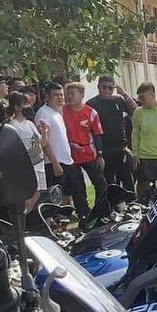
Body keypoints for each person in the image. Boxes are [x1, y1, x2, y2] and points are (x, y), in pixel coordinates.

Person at [62, 82, 104, 217]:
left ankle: (100, 209)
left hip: (88, 153)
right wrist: (70, 144)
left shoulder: (91, 112)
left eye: (72, 94)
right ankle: (83, 212)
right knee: (77, 185)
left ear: (81, 95)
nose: (69, 96)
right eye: (68, 94)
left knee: (100, 182)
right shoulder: (61, 111)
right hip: (70, 155)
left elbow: (97, 135)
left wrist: (100, 155)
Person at [88, 75, 135, 192]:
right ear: (98, 87)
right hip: (103, 151)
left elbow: (135, 110)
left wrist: (124, 93)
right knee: (109, 184)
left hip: (121, 149)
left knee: (128, 182)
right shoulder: (91, 104)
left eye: (110, 88)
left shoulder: (119, 100)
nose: (107, 90)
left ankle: (132, 202)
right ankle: (113, 203)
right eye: (104, 87)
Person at [2, 90, 47, 208]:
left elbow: (42, 143)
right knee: (28, 197)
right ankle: (22, 218)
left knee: (37, 193)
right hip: (27, 167)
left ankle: (28, 216)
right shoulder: (13, 125)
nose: (29, 106)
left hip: (38, 164)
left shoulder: (30, 124)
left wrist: (45, 132)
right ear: (17, 107)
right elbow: (12, 149)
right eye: (25, 104)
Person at [34, 83, 74, 200]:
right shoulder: (43, 113)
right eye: (56, 95)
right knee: (55, 197)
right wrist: (55, 163)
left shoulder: (57, 113)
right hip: (53, 163)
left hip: (66, 160)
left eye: (61, 95)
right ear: (47, 96)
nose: (60, 97)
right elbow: (44, 141)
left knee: (67, 195)